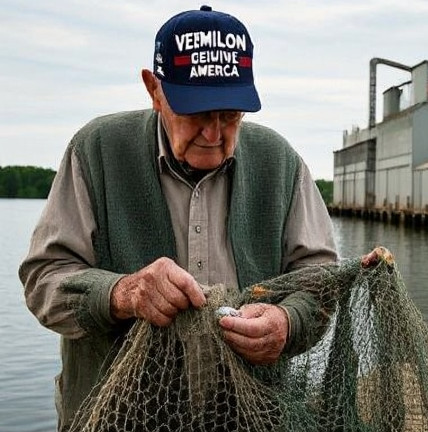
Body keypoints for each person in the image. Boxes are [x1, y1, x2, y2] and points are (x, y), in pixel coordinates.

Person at [18, 6, 337, 431]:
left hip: (252, 419)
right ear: (154, 90)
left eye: (230, 115)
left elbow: (320, 279)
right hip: (116, 421)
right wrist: (123, 293)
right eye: (197, 112)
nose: (214, 133)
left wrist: (287, 321)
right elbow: (43, 281)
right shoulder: (96, 150)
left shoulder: (280, 162)